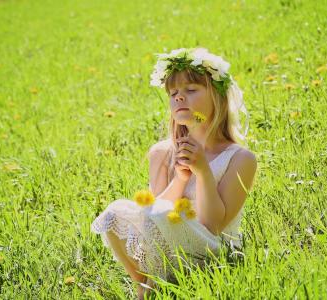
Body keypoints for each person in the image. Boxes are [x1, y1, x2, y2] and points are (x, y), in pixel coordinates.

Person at [91, 47, 257, 299]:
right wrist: (180, 177)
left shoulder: (240, 158)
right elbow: (151, 215)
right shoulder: (162, 152)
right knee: (115, 212)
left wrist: (202, 171)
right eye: (173, 93)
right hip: (168, 243)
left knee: (162, 214)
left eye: (191, 90)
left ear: (217, 97)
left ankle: (156, 284)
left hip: (213, 251)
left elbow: (214, 225)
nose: (179, 97)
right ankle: (145, 284)